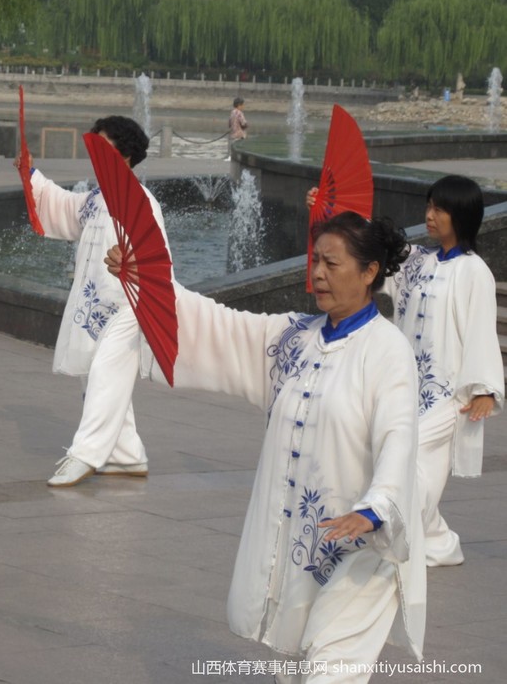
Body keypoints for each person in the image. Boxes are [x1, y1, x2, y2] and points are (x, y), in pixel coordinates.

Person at [111, 212, 425, 682]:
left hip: (364, 547)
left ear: (369, 272)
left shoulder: (387, 349)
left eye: (332, 263)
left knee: (330, 671)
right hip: (300, 544)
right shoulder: (293, 337)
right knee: (294, 669)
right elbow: (217, 325)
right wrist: (146, 278)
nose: (318, 273)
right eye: (315, 260)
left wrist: (376, 507)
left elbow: (400, 434)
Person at [308, 176, 504, 567]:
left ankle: (417, 536)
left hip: (445, 395)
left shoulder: (474, 271)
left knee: (412, 464)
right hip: (404, 385)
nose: (430, 216)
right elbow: (367, 246)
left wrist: (484, 388)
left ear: (461, 215)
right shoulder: (416, 260)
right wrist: (329, 210)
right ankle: (436, 538)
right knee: (397, 459)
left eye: (440, 210)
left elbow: (482, 330)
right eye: (429, 207)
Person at [23, 116, 165, 488]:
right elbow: (63, 207)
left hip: (129, 306)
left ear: (127, 156)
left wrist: (133, 267)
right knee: (96, 376)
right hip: (94, 303)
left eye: (105, 149)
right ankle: (127, 455)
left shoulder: (142, 202)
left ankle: (85, 453)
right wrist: (32, 175)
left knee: (105, 373)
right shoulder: (96, 198)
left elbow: (158, 258)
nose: (96, 156)